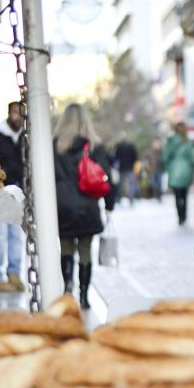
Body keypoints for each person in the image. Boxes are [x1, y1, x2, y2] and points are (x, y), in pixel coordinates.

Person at [53, 103, 116, 309]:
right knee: (86, 251)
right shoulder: (94, 146)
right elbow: (107, 177)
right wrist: (109, 204)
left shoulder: (54, 145)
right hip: (87, 205)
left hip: (62, 206)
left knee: (66, 249)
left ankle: (68, 287)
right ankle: (84, 295)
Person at [0, 101, 25, 293]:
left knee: (15, 235)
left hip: (17, 192)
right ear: (9, 113)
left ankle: (14, 274)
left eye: (20, 113)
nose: (17, 117)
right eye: (14, 113)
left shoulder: (24, 138)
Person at [163, 121, 194, 226]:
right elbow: (193, 158)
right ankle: (184, 215)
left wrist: (168, 166)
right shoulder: (188, 141)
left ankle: (180, 216)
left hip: (174, 170)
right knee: (185, 195)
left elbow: (165, 156)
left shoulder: (171, 141)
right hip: (186, 170)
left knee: (177, 195)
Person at [114, 137, 138, 205]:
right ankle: (131, 200)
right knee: (131, 184)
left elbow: (116, 157)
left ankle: (119, 199)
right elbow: (135, 157)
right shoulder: (132, 147)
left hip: (122, 168)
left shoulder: (119, 146)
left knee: (120, 185)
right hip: (130, 168)